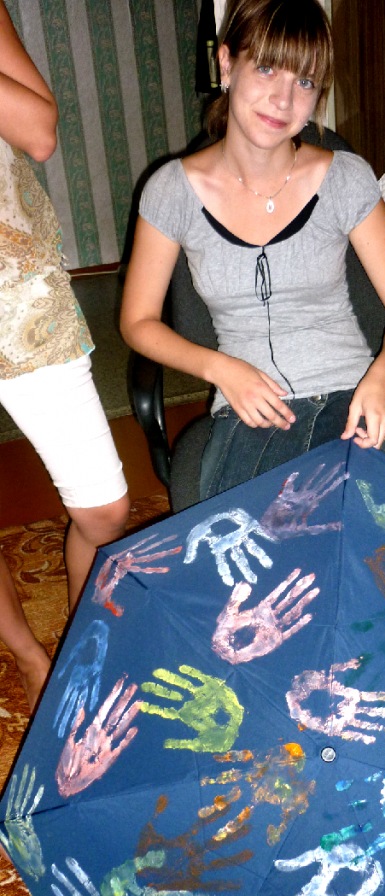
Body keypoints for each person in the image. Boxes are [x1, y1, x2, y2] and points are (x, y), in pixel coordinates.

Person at [120, 0, 385, 499]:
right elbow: (137, 322)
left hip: (352, 397)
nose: (283, 100)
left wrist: (382, 375)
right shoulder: (170, 191)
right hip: (249, 409)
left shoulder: (345, 178)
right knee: (252, 535)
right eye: (266, 68)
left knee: (374, 533)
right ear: (226, 65)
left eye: (304, 82)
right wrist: (220, 369)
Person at [0, 2, 130, 710]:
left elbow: (38, 132)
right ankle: (28, 654)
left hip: (15, 287)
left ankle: (79, 637)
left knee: (104, 511)